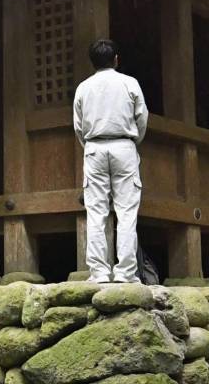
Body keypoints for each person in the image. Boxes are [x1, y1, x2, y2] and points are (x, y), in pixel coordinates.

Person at [72, 39, 148, 284]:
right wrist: (131, 143)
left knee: (96, 212)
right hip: (124, 145)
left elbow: (78, 125)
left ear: (92, 62)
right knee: (126, 212)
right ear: (116, 59)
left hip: (94, 146)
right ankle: (125, 273)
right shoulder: (130, 83)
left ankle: (99, 273)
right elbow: (142, 118)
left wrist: (90, 145)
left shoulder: (83, 87)